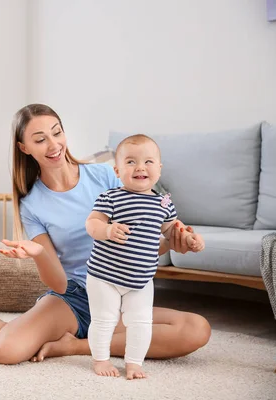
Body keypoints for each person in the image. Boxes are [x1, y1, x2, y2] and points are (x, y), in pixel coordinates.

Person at [0, 104, 211, 370]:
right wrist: (39, 255)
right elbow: (58, 283)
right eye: (40, 139)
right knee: (5, 350)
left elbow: (141, 247)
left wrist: (175, 243)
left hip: (121, 292)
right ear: (25, 148)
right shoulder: (32, 205)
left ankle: (77, 346)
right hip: (74, 297)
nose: (53, 144)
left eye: (56, 132)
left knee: (196, 329)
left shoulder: (107, 175)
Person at [84, 134, 205, 379]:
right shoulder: (111, 197)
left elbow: (173, 231)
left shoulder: (163, 204)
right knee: (104, 319)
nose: (140, 167)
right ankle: (100, 360)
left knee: (141, 322)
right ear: (117, 170)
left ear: (159, 169)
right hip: (104, 276)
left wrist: (191, 239)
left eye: (148, 162)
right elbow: (92, 223)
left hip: (141, 279)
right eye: (130, 162)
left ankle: (134, 363)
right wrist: (106, 230)